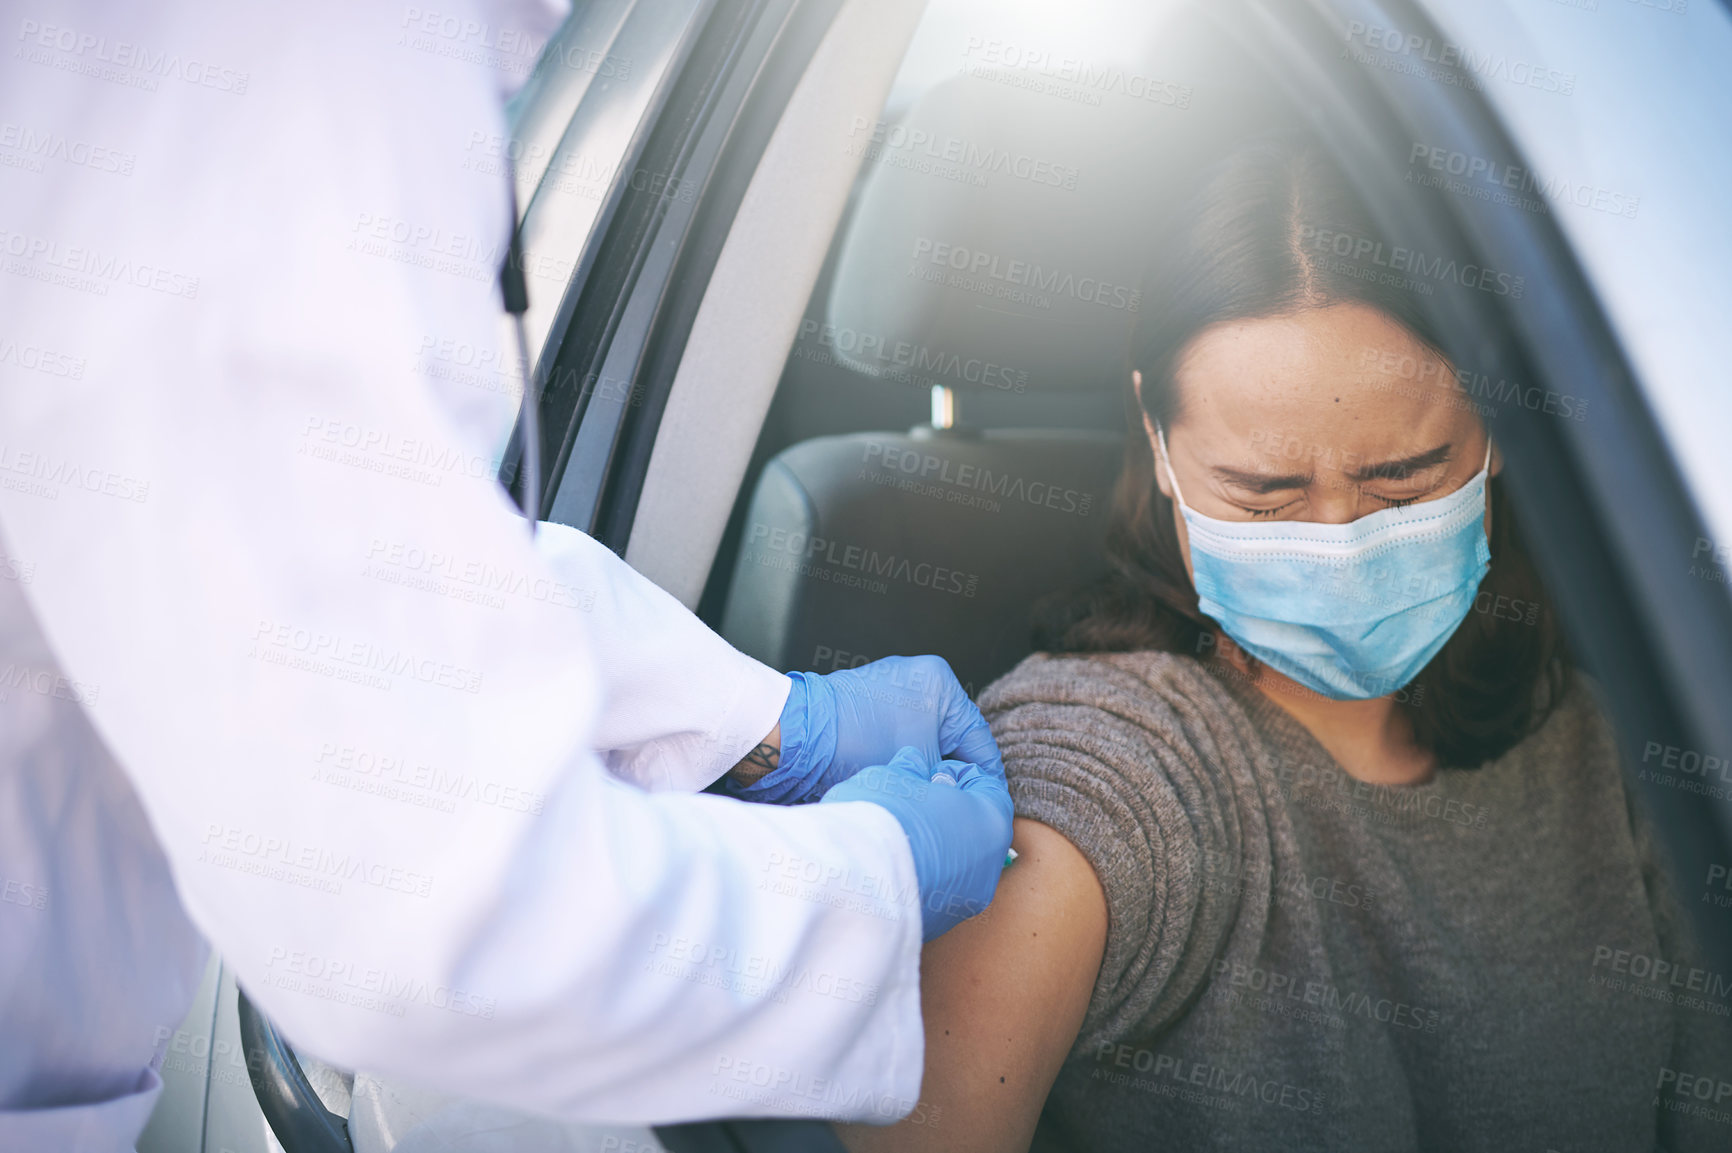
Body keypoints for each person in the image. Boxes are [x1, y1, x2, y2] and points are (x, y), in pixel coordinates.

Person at [0, 1, 1012, 1149]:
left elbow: (334, 571)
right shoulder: (295, 66)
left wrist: (769, 723)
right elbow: (426, 917)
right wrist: (871, 879)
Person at [837, 140, 1732, 1152]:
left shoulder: (1591, 746)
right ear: (1160, 441)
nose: (1337, 541)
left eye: (1403, 478)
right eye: (1263, 492)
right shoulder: (1108, 757)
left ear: (1492, 431)